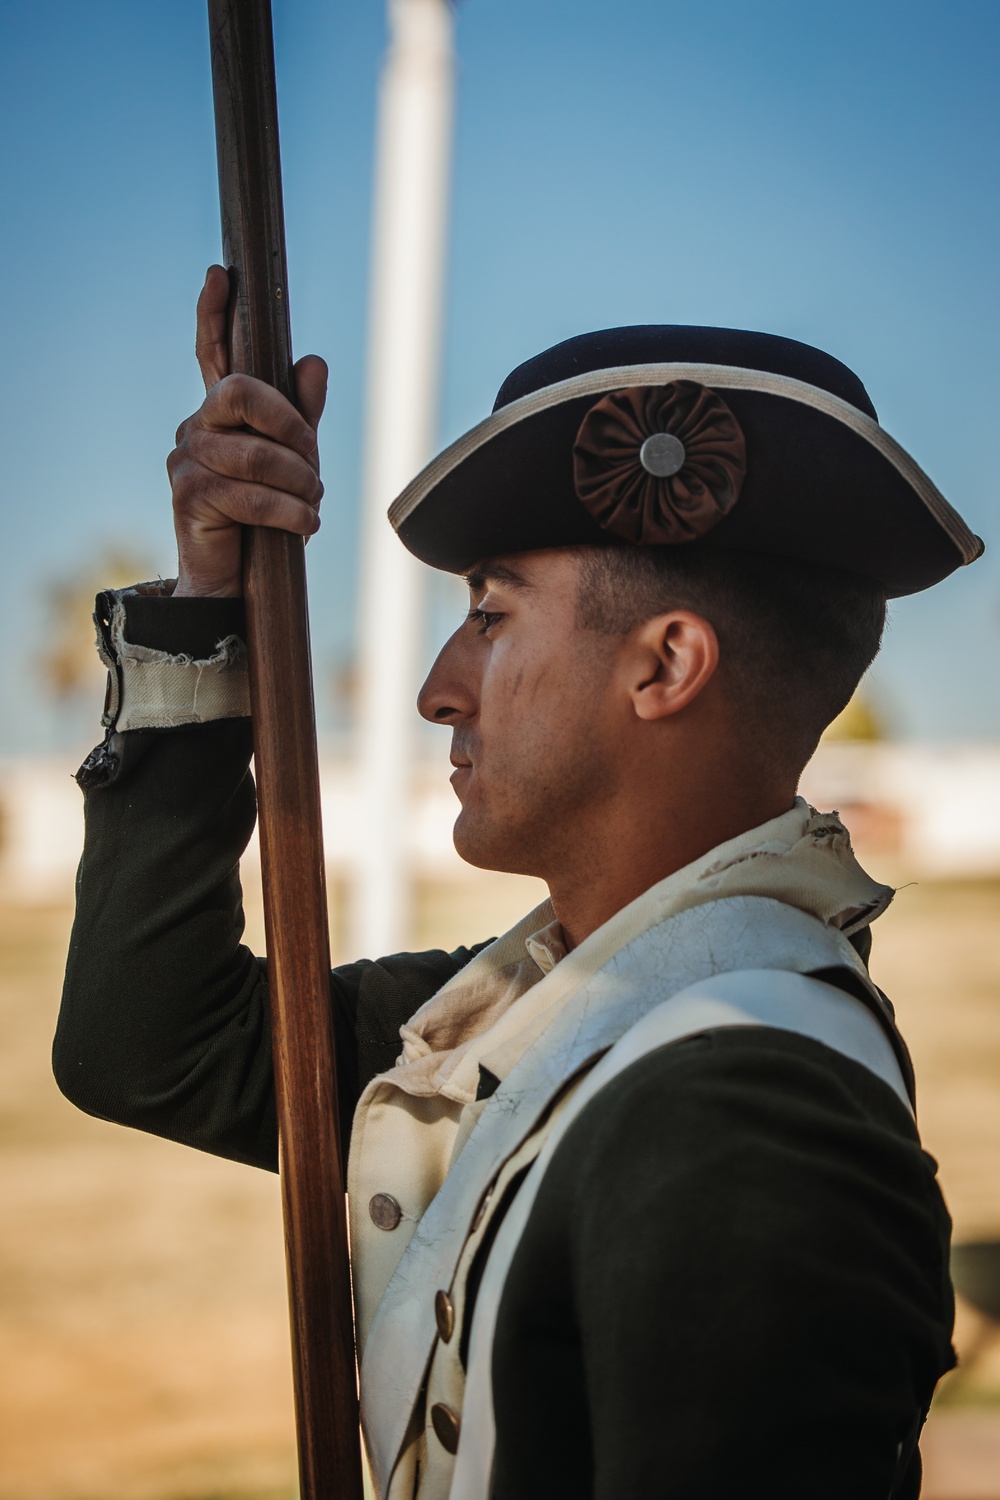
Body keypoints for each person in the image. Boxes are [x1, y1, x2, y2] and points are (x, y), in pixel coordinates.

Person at [55, 266, 982, 1499]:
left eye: (490, 616)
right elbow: (149, 1041)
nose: (438, 684)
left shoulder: (743, 1096)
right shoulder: (570, 1013)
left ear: (664, 666)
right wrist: (214, 594)